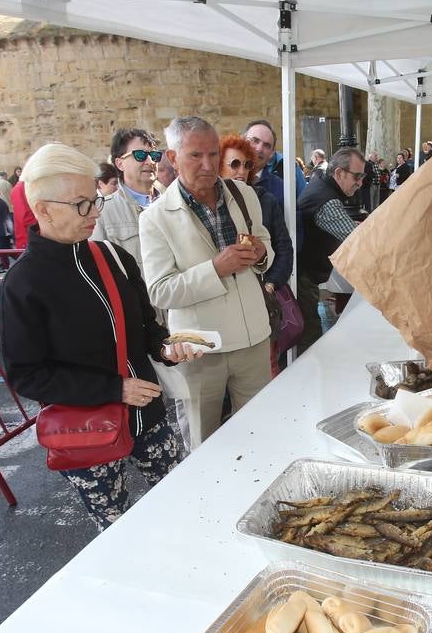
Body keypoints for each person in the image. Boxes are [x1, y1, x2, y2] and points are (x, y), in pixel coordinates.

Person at [0, 142, 201, 528]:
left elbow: (146, 329)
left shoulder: (113, 257)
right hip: (86, 430)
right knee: (117, 530)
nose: (93, 212)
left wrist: (167, 348)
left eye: (95, 200)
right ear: (42, 209)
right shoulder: (23, 283)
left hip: (147, 413)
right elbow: (27, 374)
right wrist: (113, 389)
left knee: (184, 503)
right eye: (80, 205)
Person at [140, 116, 273, 448]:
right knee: (203, 441)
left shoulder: (243, 194)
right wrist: (215, 269)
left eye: (213, 154)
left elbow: (265, 241)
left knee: (260, 433)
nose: (208, 164)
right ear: (172, 158)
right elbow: (160, 290)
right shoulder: (154, 218)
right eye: (195, 156)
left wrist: (260, 253)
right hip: (200, 347)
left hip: (253, 338)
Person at [221, 134, 294, 375]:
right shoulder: (208, 206)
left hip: (261, 303)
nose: (241, 171)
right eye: (234, 164)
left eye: (247, 164)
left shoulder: (264, 200)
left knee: (266, 368)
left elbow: (283, 246)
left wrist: (271, 283)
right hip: (223, 307)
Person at [296, 146, 365, 353]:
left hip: (307, 274)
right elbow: (357, 239)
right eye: (357, 176)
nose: (360, 183)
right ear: (339, 173)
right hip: (303, 277)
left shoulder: (322, 187)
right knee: (310, 338)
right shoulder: (327, 201)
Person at [92, 128, 162, 259]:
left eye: (154, 156)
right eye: (140, 155)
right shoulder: (102, 213)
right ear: (120, 163)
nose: (150, 161)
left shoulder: (174, 204)